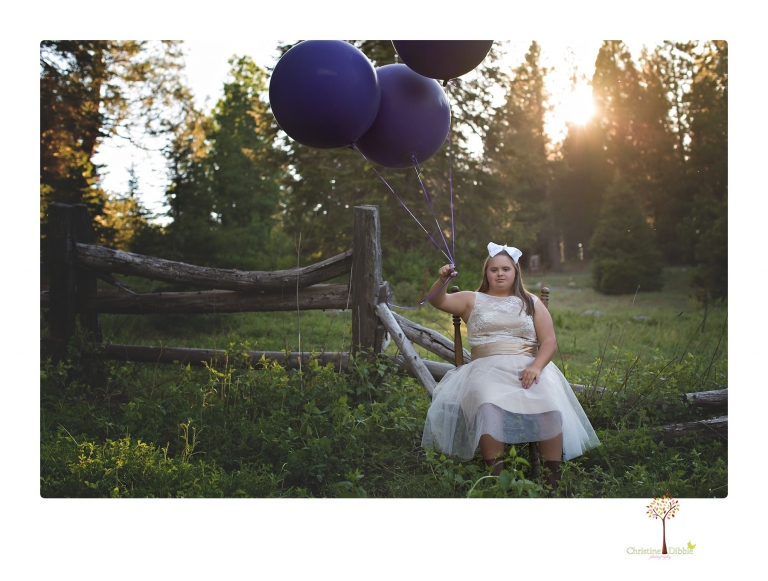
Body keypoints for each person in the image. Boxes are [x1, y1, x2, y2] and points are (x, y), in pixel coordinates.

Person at [421, 242, 600, 492]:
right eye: (494, 270)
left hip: (527, 367)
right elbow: (437, 301)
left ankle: (552, 483)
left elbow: (549, 341)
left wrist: (537, 367)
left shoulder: (531, 302)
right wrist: (442, 280)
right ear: (487, 273)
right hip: (485, 369)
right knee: (488, 402)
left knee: (550, 402)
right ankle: (497, 481)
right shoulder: (472, 300)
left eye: (506, 269)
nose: (500, 274)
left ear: (515, 272)